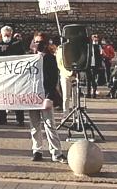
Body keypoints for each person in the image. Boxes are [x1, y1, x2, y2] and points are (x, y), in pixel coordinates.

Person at [28, 32, 66, 163]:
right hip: (32, 96)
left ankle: (56, 152)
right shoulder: (29, 58)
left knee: (50, 125)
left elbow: (53, 79)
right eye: (36, 41)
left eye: (40, 42)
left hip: (45, 95)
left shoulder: (50, 58)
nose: (38, 44)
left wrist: (50, 97)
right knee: (34, 125)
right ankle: (37, 150)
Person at [0, 25, 26, 126]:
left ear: (11, 34)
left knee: (17, 97)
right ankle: (2, 119)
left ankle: (20, 119)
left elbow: (22, 56)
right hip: (2, 75)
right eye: (4, 34)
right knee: (2, 96)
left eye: (8, 34)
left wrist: (8, 50)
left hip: (15, 75)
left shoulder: (17, 44)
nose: (6, 36)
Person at [86, 34, 106, 98]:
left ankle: (94, 92)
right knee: (88, 79)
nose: (96, 38)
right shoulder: (88, 46)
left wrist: (100, 64)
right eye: (94, 37)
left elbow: (101, 56)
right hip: (89, 65)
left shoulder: (98, 46)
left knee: (94, 79)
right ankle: (88, 93)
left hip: (95, 65)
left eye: (97, 37)